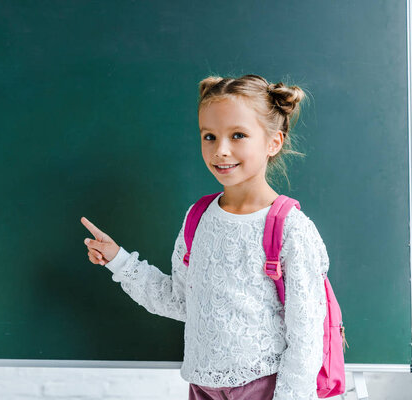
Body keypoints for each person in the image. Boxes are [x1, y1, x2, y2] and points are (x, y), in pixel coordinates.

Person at [80, 74, 329, 400]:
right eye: (209, 136)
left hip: (265, 385)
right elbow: (179, 301)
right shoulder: (198, 218)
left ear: (274, 142)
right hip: (203, 385)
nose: (221, 150)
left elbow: (307, 335)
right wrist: (119, 260)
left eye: (238, 135)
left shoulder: (291, 229)